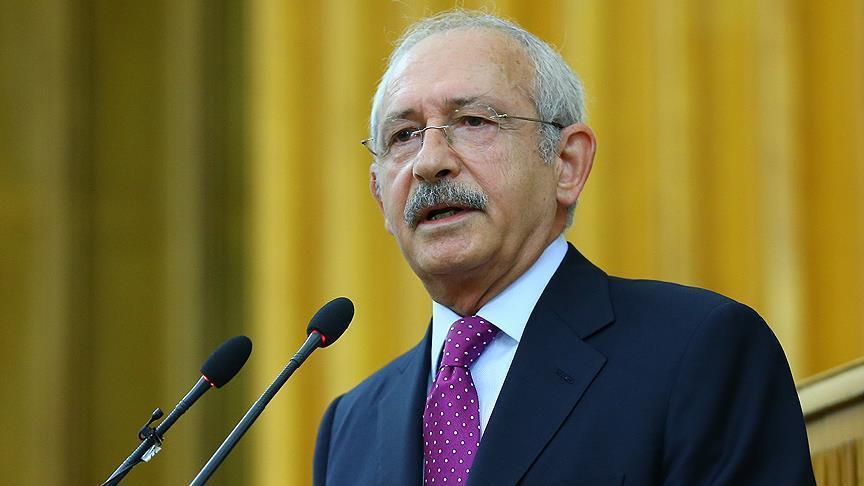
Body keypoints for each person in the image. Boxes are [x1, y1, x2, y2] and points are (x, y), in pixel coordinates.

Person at [313, 10, 815, 485]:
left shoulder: (699, 352)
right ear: (380, 196)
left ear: (567, 164)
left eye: (473, 122)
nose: (429, 162)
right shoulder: (351, 425)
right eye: (404, 135)